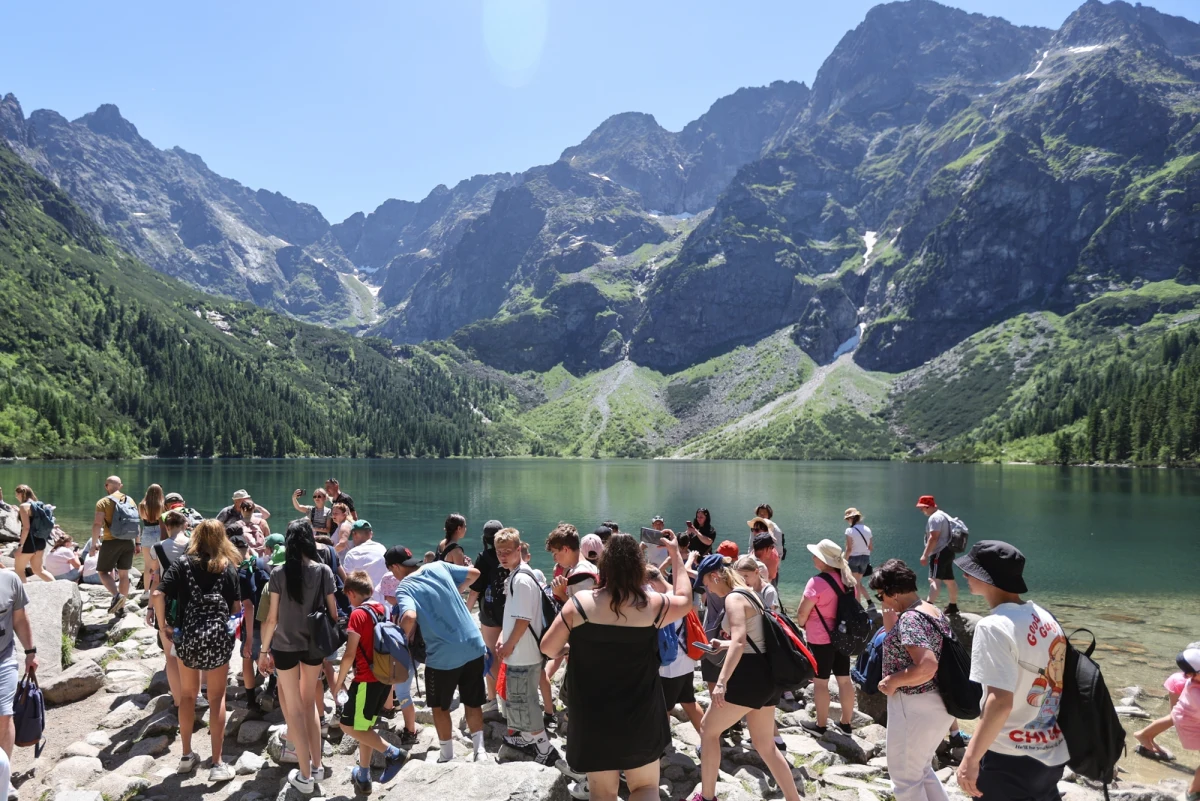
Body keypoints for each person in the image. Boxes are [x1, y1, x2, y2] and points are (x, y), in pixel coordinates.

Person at [540, 531, 692, 801]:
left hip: (594, 716)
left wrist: (572, 646)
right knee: (645, 789)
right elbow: (685, 599)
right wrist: (676, 556)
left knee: (603, 793)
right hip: (641, 712)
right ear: (638, 568)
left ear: (604, 566)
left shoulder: (580, 605)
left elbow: (548, 648)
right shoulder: (652, 605)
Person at [953, 541, 1069, 801]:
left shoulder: (993, 627)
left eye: (971, 571)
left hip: (1010, 757)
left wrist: (970, 759)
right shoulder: (1044, 616)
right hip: (1050, 750)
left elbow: (1000, 702)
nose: (964, 575)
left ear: (988, 578)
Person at [691, 553, 803, 801]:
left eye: (706, 584)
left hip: (749, 675)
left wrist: (721, 682)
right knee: (765, 745)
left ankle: (706, 797)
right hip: (768, 675)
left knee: (708, 730)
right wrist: (725, 644)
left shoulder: (732, 598)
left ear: (715, 576)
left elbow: (741, 641)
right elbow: (752, 638)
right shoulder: (750, 592)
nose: (706, 589)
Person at [153, 520, 242, 782]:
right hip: (217, 641)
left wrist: (163, 627)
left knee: (188, 697)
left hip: (187, 639)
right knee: (216, 698)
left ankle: (186, 756)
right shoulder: (228, 567)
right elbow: (236, 610)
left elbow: (158, 595)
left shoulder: (182, 564)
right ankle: (217, 763)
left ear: (196, 537)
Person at [258, 519, 338, 794]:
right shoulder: (324, 570)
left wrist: (263, 651)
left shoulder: (278, 573)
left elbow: (271, 618)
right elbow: (335, 613)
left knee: (292, 709)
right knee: (310, 705)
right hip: (314, 647)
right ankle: (316, 766)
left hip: (284, 648)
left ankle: (305, 776)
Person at [392, 545, 488, 762]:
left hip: (443, 654)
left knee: (439, 706)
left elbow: (408, 617)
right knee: (473, 702)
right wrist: (457, 590)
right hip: (473, 643)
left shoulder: (404, 587)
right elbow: (475, 574)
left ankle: (446, 755)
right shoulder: (438, 566)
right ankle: (479, 751)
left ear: (395, 568)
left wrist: (402, 639)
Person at [869, 559, 955, 801]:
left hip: (915, 704)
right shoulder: (932, 611)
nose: (881, 602)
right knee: (920, 770)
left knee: (905, 779)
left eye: (881, 596)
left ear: (894, 593)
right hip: (938, 703)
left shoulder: (910, 619)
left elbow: (927, 665)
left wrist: (893, 681)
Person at [333, 570, 408, 794]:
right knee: (364, 726)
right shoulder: (381, 608)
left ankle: (394, 754)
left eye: (347, 596)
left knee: (348, 725)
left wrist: (338, 683)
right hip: (384, 676)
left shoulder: (357, 614)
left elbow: (349, 653)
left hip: (365, 679)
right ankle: (364, 776)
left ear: (352, 592)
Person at [494, 528, 561, 766]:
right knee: (519, 698)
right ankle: (524, 736)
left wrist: (509, 644)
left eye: (508, 551)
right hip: (521, 650)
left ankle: (544, 748)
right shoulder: (519, 574)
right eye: (499, 552)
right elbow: (514, 615)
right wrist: (503, 635)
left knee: (525, 700)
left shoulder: (521, 579)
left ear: (518, 549)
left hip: (523, 653)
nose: (503, 556)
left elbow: (523, 619)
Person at [795, 538, 857, 735]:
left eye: (816, 555)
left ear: (824, 561)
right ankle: (846, 724)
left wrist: (802, 624)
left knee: (821, 682)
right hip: (843, 637)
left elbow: (802, 613)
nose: (813, 557)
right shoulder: (849, 581)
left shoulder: (816, 582)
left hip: (820, 639)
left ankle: (821, 726)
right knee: (845, 680)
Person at [646, 564, 703, 739]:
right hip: (686, 659)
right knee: (688, 700)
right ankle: (709, 737)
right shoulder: (679, 595)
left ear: (651, 583)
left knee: (664, 707)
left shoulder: (663, 602)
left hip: (670, 665)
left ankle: (660, 745)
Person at [374, 547, 420, 747]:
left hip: (407, 652)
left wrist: (398, 642)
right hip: (416, 651)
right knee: (394, 682)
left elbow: (409, 622)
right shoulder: (414, 590)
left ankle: (411, 730)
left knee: (402, 693)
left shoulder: (404, 598)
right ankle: (389, 707)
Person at [146, 510, 191, 707]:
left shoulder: (157, 547)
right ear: (185, 525)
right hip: (191, 603)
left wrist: (150, 608)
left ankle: (179, 701)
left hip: (166, 603)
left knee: (170, 656)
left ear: (167, 527)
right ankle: (194, 696)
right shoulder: (193, 546)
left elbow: (155, 580)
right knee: (191, 652)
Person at [0, 571, 37, 801]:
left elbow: (20, 619)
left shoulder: (10, 580)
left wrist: (30, 652)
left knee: (4, 716)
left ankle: (4, 779)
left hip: (3, 658)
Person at [466, 520, 508, 711]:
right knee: (511, 654)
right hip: (512, 612)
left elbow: (474, 590)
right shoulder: (512, 554)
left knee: (491, 656)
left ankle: (492, 699)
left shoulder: (483, 558)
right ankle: (509, 696)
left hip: (490, 614)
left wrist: (465, 612)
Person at [1135, 646, 1200, 763]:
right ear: (1190, 674)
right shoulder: (1193, 690)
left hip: (1187, 710)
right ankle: (1144, 735)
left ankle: (1144, 734)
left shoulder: (1196, 679)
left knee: (1172, 717)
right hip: (1189, 714)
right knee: (1174, 717)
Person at [91, 475, 136, 614]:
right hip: (129, 541)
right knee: (124, 575)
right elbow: (135, 522)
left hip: (111, 541)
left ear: (106, 486)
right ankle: (121, 608)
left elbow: (97, 523)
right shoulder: (130, 500)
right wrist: (138, 542)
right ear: (120, 486)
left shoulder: (103, 502)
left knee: (103, 572)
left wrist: (94, 543)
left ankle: (117, 596)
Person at [917, 495, 959, 615]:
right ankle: (953, 606)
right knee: (949, 580)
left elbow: (933, 537)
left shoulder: (935, 518)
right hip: (949, 550)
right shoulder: (944, 515)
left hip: (939, 551)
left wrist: (925, 555)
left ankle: (928, 607)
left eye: (922, 508)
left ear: (927, 506)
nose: (921, 510)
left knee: (934, 579)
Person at [546, 523, 598, 603]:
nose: (554, 559)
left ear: (565, 550)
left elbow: (584, 611)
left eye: (555, 553)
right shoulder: (589, 567)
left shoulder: (580, 574)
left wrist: (561, 594)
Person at [14, 485, 53, 583]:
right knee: (38, 570)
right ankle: (59, 588)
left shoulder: (23, 507)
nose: (16, 497)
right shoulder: (39, 505)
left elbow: (26, 528)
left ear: (21, 494)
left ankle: (24, 596)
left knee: (19, 570)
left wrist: (20, 546)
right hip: (41, 541)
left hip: (29, 542)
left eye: (16, 495)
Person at [342, 520, 388, 590]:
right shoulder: (382, 549)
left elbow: (348, 581)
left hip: (362, 598)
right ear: (371, 534)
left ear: (354, 534)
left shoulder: (351, 554)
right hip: (383, 598)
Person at [844, 507, 874, 608]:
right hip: (865, 559)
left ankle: (858, 608)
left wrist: (844, 561)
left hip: (853, 559)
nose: (847, 521)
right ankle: (870, 603)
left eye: (847, 519)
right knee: (858, 583)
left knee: (854, 585)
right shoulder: (867, 529)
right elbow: (871, 547)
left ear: (852, 518)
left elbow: (848, 549)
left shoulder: (849, 531)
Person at [748, 520, 780, 586]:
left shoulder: (772, 554)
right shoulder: (757, 545)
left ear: (767, 531)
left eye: (757, 530)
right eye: (753, 529)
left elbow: (770, 577)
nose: (754, 532)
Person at [138, 483, 165, 555]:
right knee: (159, 562)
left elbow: (142, 517)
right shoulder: (162, 505)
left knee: (147, 563)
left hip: (147, 532)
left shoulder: (142, 505)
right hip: (160, 532)